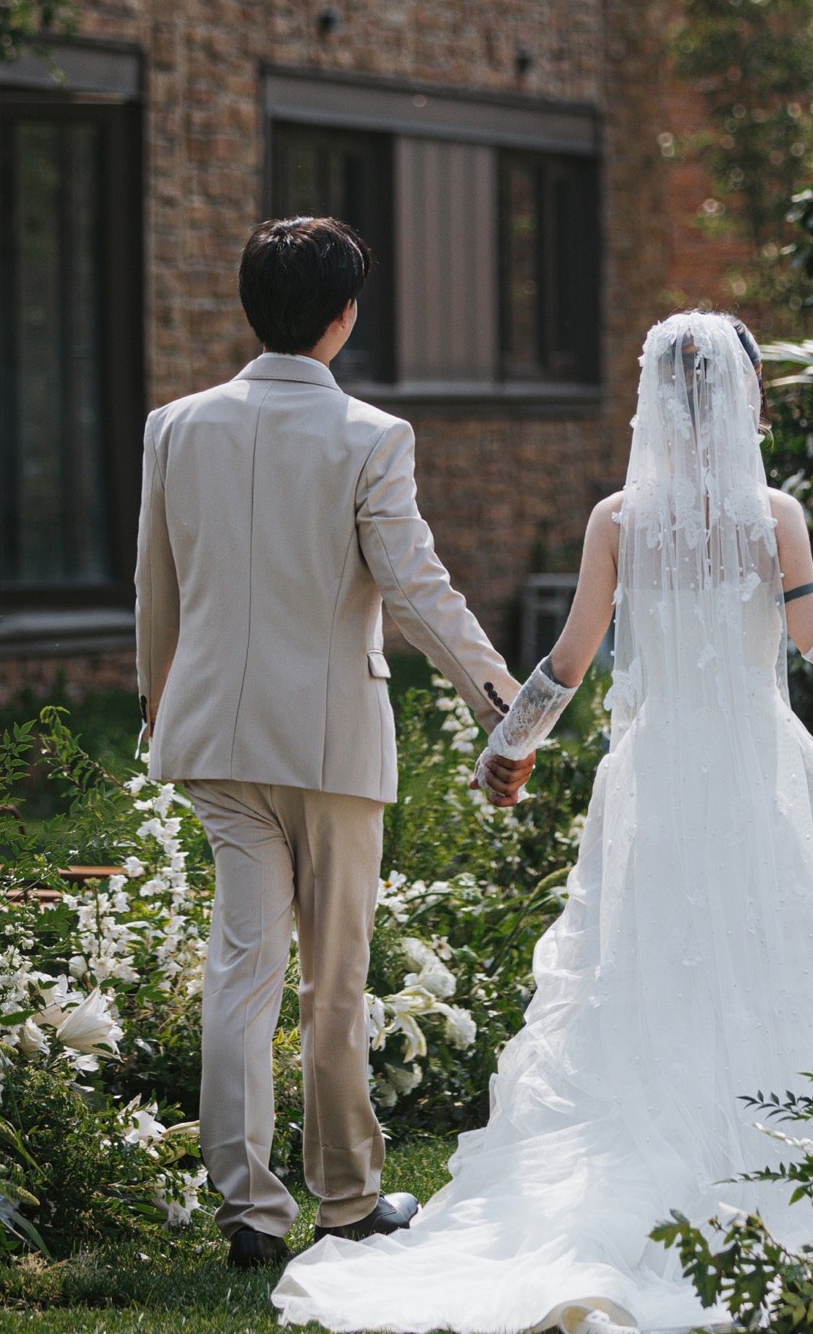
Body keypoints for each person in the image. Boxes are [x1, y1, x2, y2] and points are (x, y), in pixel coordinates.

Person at [272, 310, 813, 1334]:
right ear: (741, 398)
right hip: (751, 775)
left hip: (653, 781)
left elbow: (568, 661)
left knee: (646, 968)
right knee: (756, 960)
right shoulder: (768, 513)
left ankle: (650, 1163)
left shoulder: (618, 518)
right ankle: (767, 1173)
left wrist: (505, 744)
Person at [136, 217, 530, 1273]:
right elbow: (415, 588)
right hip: (330, 743)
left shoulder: (173, 426)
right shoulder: (370, 435)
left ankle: (248, 1213)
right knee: (334, 977)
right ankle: (347, 1198)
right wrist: (502, 699)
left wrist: (154, 703)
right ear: (344, 313)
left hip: (213, 735)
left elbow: (155, 589)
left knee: (239, 971)